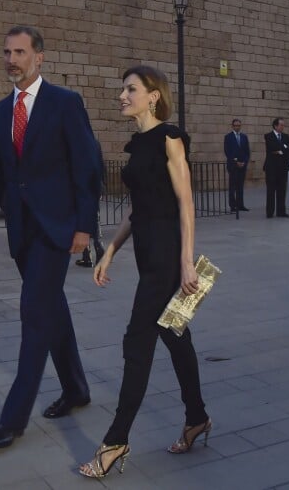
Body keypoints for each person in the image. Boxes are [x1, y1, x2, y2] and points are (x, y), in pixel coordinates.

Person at [0, 26, 101, 448]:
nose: (12, 59)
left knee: (33, 313)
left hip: (58, 228)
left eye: (21, 52)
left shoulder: (65, 103)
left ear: (39, 57)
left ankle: (13, 418)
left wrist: (85, 225)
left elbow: (87, 167)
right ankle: (77, 388)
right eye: (7, 51)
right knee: (51, 309)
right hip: (23, 232)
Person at [79, 66, 210, 479]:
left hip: (168, 256)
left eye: (130, 89)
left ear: (154, 96)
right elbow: (137, 211)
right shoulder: (137, 145)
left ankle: (115, 441)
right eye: (123, 89)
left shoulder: (170, 139)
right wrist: (110, 252)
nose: (122, 95)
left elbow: (186, 203)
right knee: (174, 334)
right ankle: (197, 418)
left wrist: (187, 262)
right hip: (147, 252)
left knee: (138, 341)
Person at [76, 140, 106, 267]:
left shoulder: (76, 142)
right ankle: (89, 254)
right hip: (94, 186)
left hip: (82, 187)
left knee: (84, 219)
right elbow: (101, 166)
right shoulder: (95, 143)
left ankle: (94, 252)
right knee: (93, 217)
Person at [263, 118, 289, 218]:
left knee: (282, 190)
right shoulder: (268, 136)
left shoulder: (286, 136)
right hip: (271, 168)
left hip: (283, 167)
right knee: (271, 190)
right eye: (281, 125)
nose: (282, 127)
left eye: (283, 125)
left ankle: (281, 211)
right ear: (275, 126)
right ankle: (270, 211)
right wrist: (282, 149)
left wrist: (280, 150)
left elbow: (288, 148)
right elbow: (272, 147)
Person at [224, 118, 250, 211]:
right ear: (232, 126)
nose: (237, 127)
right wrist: (236, 162)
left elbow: (247, 152)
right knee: (232, 187)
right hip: (233, 165)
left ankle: (240, 205)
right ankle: (232, 206)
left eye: (239, 125)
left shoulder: (244, 137)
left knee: (240, 186)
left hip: (242, 165)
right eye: (235, 125)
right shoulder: (228, 137)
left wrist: (244, 162)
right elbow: (227, 152)